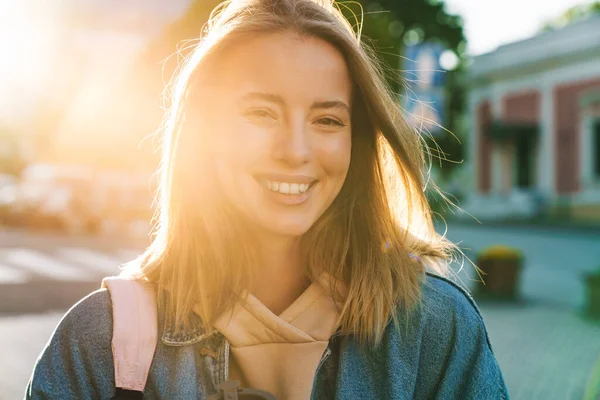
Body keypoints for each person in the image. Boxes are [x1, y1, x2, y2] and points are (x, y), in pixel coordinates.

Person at [25, 0, 509, 398]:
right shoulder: (99, 343)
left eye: (327, 120)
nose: (296, 151)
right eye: (262, 113)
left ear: (356, 143)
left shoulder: (432, 329)